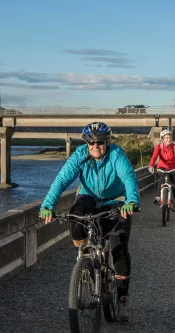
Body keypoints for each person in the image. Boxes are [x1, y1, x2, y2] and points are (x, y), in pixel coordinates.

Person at [39, 121, 139, 322]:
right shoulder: (80, 156)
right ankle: (83, 257)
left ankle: (122, 299)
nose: (95, 146)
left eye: (100, 142)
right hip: (89, 197)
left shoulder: (116, 154)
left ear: (107, 142)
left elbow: (128, 177)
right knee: (76, 219)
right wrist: (47, 205)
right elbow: (61, 180)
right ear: (86, 143)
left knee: (118, 248)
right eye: (91, 142)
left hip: (115, 200)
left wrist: (131, 200)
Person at [148, 128, 175, 212]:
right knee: (161, 179)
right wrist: (151, 165)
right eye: (166, 138)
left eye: (170, 137)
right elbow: (154, 157)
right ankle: (158, 197)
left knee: (174, 185)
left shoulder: (174, 147)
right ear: (162, 139)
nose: (169, 139)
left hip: (174, 167)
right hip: (162, 166)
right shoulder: (159, 147)